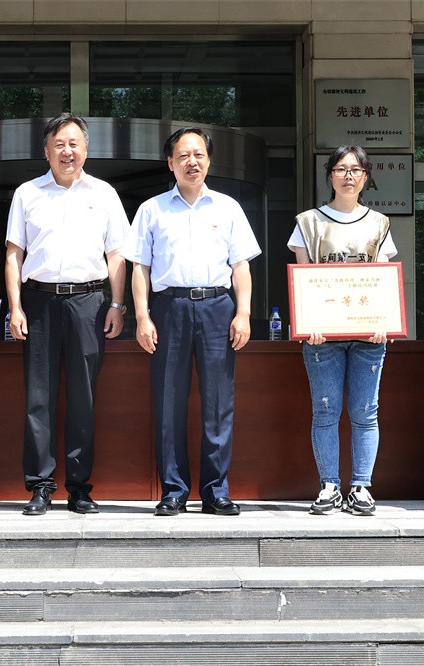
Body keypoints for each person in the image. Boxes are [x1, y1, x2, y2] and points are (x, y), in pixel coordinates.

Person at [122, 128, 260, 517]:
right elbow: (139, 268)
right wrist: (142, 316)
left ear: (209, 160)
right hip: (169, 308)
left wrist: (244, 312)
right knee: (169, 402)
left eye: (198, 154)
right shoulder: (152, 209)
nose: (192, 162)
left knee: (218, 403)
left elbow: (241, 266)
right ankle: (174, 490)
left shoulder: (228, 208)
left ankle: (216, 491)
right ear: (171, 163)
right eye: (183, 156)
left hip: (218, 308)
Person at [5, 113, 128, 516]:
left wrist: (117, 304)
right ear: (46, 151)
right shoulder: (27, 193)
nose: (67, 151)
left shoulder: (104, 193)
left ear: (86, 149)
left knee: (83, 399)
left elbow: (117, 255)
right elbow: (14, 254)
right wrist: (15, 307)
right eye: (59, 144)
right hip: (38, 302)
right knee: (37, 399)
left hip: (88, 304)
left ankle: (79, 487)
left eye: (74, 143)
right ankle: (40, 486)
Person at [287, 145, 398, 516]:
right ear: (330, 174)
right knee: (325, 411)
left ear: (366, 176)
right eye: (341, 168)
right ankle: (330, 486)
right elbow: (303, 279)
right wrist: (308, 323)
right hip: (322, 337)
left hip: (369, 336)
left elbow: (382, 279)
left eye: (356, 169)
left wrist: (384, 322)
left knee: (365, 412)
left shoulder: (379, 223)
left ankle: (361, 486)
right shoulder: (308, 223)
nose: (348, 176)